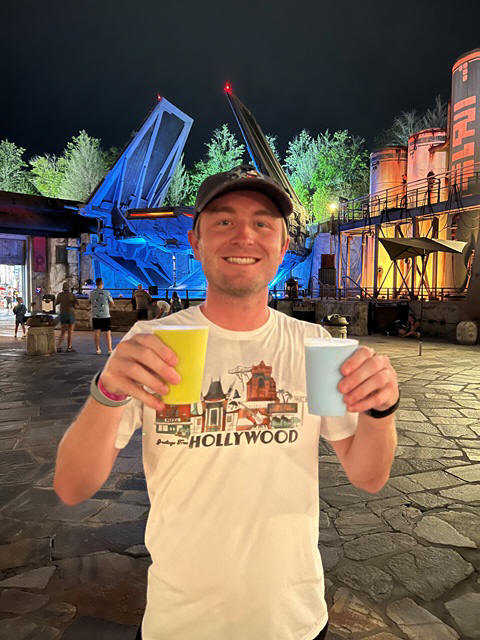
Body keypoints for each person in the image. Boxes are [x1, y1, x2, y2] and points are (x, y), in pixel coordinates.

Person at [54, 165, 399, 640]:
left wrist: (380, 410)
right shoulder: (152, 343)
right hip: (179, 624)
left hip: (292, 620)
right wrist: (107, 392)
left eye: (262, 223)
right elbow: (72, 486)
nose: (244, 236)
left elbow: (368, 475)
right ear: (195, 242)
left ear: (283, 246)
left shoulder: (315, 345)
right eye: (223, 221)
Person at [89, 277, 115, 355]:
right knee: (107, 333)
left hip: (95, 315)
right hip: (105, 315)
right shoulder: (107, 292)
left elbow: (89, 302)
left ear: (96, 284)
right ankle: (110, 350)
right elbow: (112, 303)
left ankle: (98, 349)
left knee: (97, 333)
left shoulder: (92, 293)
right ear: (102, 284)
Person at [55, 282, 77, 352]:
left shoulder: (60, 295)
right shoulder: (72, 295)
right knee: (70, 332)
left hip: (63, 314)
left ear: (63, 288)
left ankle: (58, 347)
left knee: (63, 332)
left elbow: (56, 303)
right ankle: (69, 347)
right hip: (70, 314)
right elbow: (76, 304)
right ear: (69, 288)